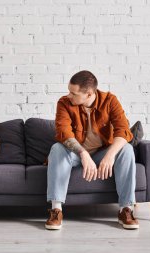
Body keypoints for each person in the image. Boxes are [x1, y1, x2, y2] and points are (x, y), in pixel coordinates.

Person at [45, 70, 139, 230]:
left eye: (73, 93)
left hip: (102, 153)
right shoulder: (64, 103)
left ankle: (126, 209)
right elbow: (64, 132)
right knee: (56, 148)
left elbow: (123, 130)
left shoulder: (110, 101)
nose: (69, 95)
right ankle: (56, 210)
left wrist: (110, 155)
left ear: (89, 94)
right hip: (75, 154)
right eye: (69, 91)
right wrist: (83, 154)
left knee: (127, 150)